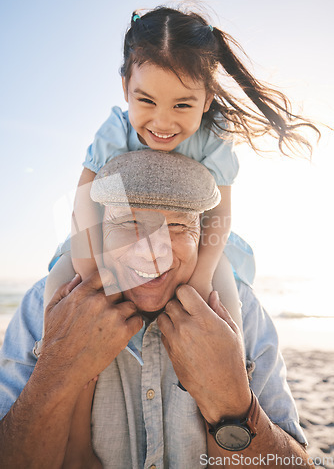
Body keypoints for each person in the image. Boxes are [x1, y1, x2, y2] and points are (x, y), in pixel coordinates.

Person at [0, 151, 315, 468]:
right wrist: (57, 369)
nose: (153, 252)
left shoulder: (241, 310)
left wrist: (232, 399)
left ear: (202, 237)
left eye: (179, 225)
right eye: (130, 222)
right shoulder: (46, 304)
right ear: (98, 233)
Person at [44, 2, 320, 338]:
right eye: (146, 101)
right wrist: (92, 268)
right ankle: (51, 343)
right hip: (115, 233)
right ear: (125, 89)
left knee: (223, 285)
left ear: (206, 100)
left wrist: (203, 276)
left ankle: (232, 349)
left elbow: (220, 213)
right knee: (62, 274)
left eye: (182, 105)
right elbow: (84, 202)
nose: (162, 122)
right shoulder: (116, 129)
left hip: (193, 241)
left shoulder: (213, 135)